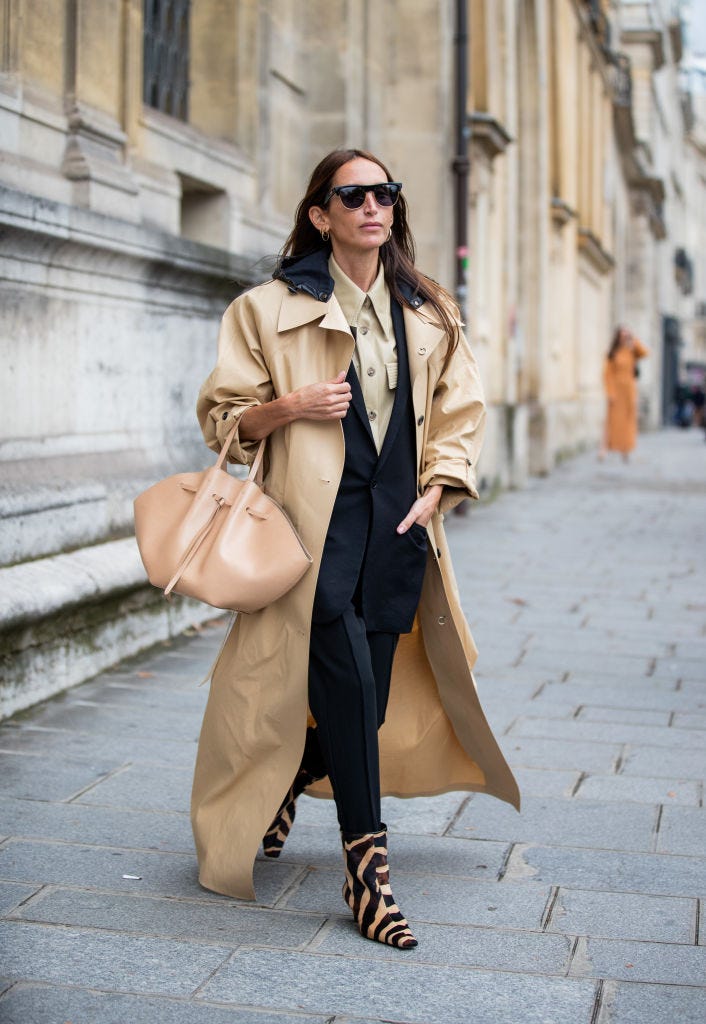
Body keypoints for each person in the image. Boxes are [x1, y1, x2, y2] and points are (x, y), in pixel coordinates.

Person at [192, 148, 519, 950]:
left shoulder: (429, 309)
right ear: (320, 214)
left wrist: (440, 485)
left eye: (385, 193)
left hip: (399, 529)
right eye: (354, 195)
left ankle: (288, 778)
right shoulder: (266, 309)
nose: (374, 206)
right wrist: (288, 406)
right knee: (342, 670)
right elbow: (222, 421)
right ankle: (367, 876)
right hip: (313, 532)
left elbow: (460, 411)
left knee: (362, 705)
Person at [600, 325, 649, 461]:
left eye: (626, 335)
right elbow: (607, 374)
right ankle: (604, 449)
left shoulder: (632, 351)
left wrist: (634, 340)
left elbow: (645, 353)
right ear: (617, 337)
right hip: (616, 390)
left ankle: (626, 449)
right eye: (622, 335)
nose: (624, 338)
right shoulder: (612, 353)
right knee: (611, 421)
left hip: (629, 391)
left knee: (628, 421)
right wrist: (610, 392)